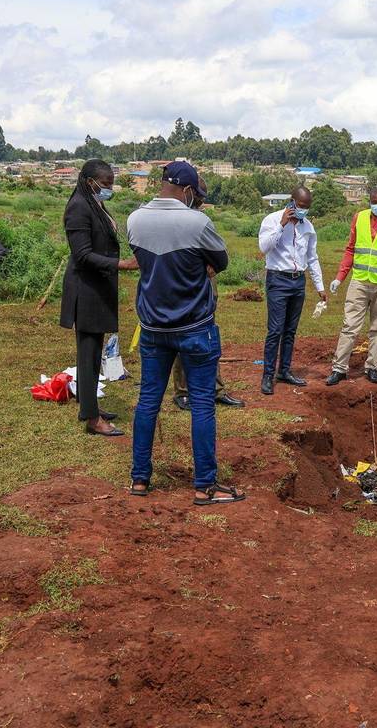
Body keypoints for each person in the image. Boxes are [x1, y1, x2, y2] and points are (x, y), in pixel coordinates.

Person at [126, 161, 245, 505]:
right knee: (203, 404)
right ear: (189, 190)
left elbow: (144, 262)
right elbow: (221, 262)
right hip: (194, 327)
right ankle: (205, 485)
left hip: (152, 328)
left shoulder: (135, 219)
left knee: (148, 401)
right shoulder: (198, 222)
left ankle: (139, 479)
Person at [59, 158, 139, 437]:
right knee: (89, 352)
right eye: (105, 184)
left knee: (92, 352)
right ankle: (93, 419)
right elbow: (82, 255)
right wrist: (121, 265)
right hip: (86, 288)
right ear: (89, 181)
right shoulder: (79, 207)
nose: (108, 189)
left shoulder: (94, 203)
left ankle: (88, 404)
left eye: (111, 184)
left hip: (97, 287)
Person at [170, 180, 244, 411]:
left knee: (209, 336)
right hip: (182, 286)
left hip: (206, 286)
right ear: (188, 191)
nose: (200, 200)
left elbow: (219, 250)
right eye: (198, 195)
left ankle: (216, 389)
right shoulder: (171, 219)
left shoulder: (202, 219)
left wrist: (213, 263)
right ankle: (183, 392)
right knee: (182, 337)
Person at [325, 186, 377, 385]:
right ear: (369, 202)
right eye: (374, 202)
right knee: (350, 325)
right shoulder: (359, 218)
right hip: (360, 281)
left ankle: (372, 366)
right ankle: (339, 368)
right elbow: (350, 249)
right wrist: (339, 277)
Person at [257, 185, 327, 395]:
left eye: (307, 207)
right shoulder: (272, 220)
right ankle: (268, 375)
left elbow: (312, 257)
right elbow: (264, 247)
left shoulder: (308, 227)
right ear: (292, 201)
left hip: (298, 282)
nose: (303, 210)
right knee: (275, 330)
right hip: (278, 280)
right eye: (301, 205)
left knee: (290, 330)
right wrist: (282, 225)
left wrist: (320, 286)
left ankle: (284, 371)